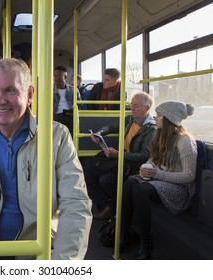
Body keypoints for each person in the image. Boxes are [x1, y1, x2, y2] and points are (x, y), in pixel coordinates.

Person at [0, 58, 92, 260]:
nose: (0, 100)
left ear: (29, 94)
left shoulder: (56, 137)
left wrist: (62, 265)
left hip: (37, 250)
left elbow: (75, 203)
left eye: (10, 90)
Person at [120, 101, 197, 259]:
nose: (155, 117)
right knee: (130, 183)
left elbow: (189, 176)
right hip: (161, 179)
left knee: (141, 189)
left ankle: (146, 243)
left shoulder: (185, 141)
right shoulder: (159, 136)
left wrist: (157, 174)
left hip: (179, 189)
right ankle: (124, 232)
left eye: (159, 114)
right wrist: (146, 167)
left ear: (169, 119)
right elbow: (153, 160)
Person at [84, 92, 156, 220]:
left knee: (106, 180)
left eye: (136, 106)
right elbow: (111, 127)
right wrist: (100, 133)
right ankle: (104, 206)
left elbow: (144, 156)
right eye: (131, 105)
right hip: (119, 159)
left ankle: (115, 209)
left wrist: (118, 154)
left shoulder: (151, 129)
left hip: (131, 166)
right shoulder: (129, 120)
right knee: (87, 170)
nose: (132, 109)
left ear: (147, 108)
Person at [53, 65, 82, 136]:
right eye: (55, 76)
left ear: (65, 77)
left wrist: (73, 113)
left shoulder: (74, 90)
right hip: (55, 116)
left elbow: (80, 105)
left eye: (59, 76)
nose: (56, 78)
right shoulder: (50, 90)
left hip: (69, 116)